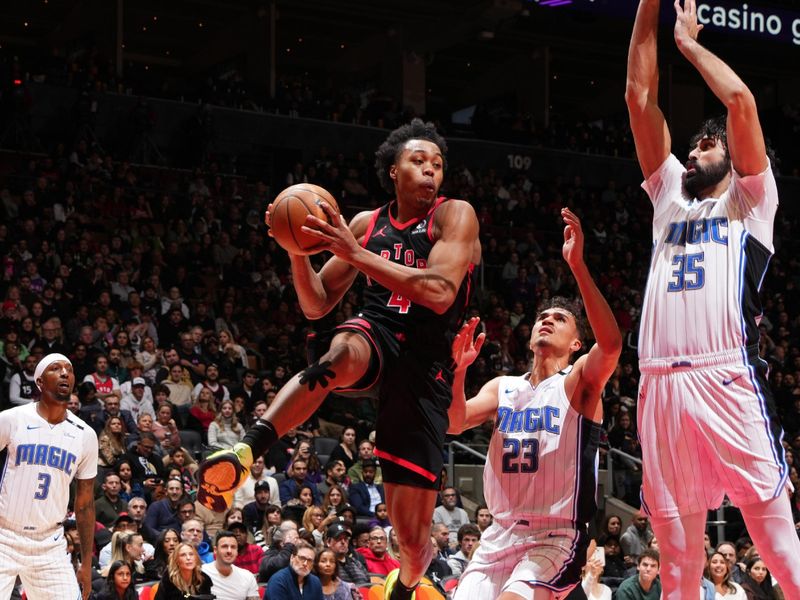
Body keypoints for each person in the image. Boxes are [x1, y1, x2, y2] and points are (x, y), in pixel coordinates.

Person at [198, 118, 481, 600]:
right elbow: (317, 303)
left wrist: (357, 253)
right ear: (393, 170)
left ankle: (406, 585)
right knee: (338, 353)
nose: (431, 170)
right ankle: (246, 451)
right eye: (418, 161)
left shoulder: (455, 215)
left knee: (411, 540)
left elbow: (438, 292)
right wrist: (295, 250)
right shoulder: (365, 224)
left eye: (437, 163)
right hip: (378, 332)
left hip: (429, 360)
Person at [625, 0, 800, 596]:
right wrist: (649, 7)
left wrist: (690, 45)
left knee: (777, 549)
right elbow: (638, 98)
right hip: (658, 385)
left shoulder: (752, 204)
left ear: (736, 159)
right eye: (692, 145)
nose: (695, 151)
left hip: (726, 375)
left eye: (707, 145)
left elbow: (741, 103)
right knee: (676, 565)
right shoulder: (670, 198)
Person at [449, 208, 622, 600]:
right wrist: (458, 371)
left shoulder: (577, 382)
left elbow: (611, 345)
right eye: (542, 316)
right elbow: (453, 422)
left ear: (576, 344)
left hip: (556, 535)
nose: (547, 320)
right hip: (499, 534)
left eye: (560, 319)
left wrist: (577, 267)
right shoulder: (502, 387)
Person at [0, 353, 98, 600]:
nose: (65, 373)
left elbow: (85, 504)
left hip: (49, 543)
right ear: (40, 382)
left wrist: (86, 564)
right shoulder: (11, 419)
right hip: (4, 536)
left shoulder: (85, 435)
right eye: (56, 368)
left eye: (69, 369)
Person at [201, 529, 260, 600]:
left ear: (237, 551)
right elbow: (187, 595)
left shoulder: (247, 576)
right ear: (215, 550)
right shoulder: (201, 572)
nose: (229, 551)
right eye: (224, 546)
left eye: (233, 547)